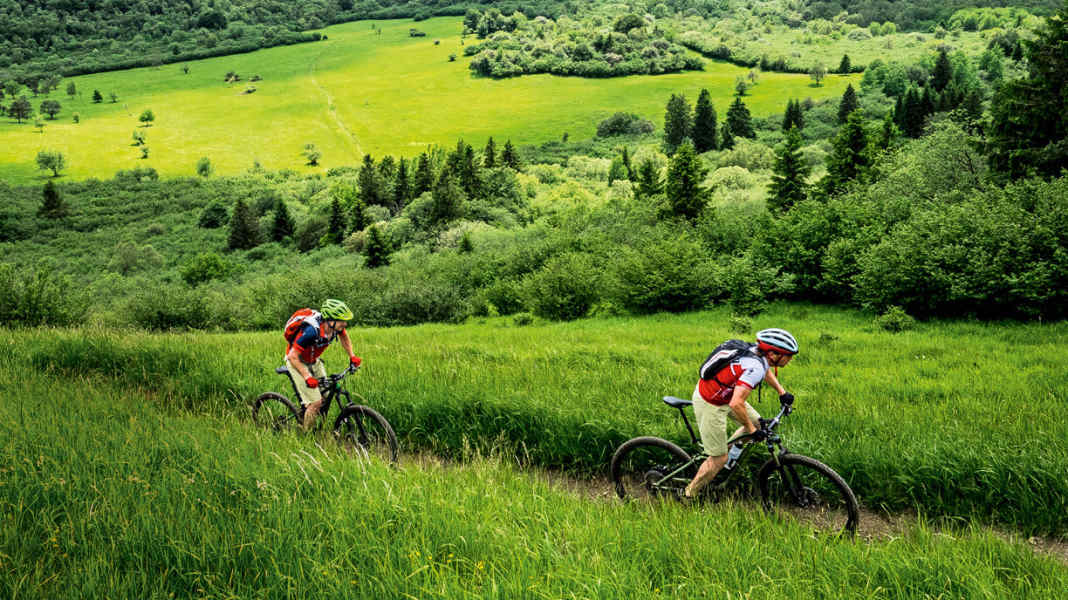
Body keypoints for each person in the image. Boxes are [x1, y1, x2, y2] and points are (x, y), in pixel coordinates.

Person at [683, 328, 798, 499]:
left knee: (759, 425)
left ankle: (729, 455)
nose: (790, 359)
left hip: (726, 395)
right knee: (719, 458)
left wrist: (782, 392)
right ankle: (688, 494)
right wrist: (751, 430)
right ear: (774, 354)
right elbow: (736, 403)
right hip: (711, 402)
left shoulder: (758, 354)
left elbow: (764, 370)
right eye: (788, 355)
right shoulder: (754, 367)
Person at [284, 299, 362, 430]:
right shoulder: (311, 332)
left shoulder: (336, 328)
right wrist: (307, 377)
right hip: (296, 362)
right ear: (330, 320)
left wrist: (352, 356)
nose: (345, 324)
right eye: (342, 320)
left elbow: (344, 337)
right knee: (315, 403)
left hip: (314, 360)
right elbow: (293, 356)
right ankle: (306, 435)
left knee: (326, 396)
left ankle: (312, 418)